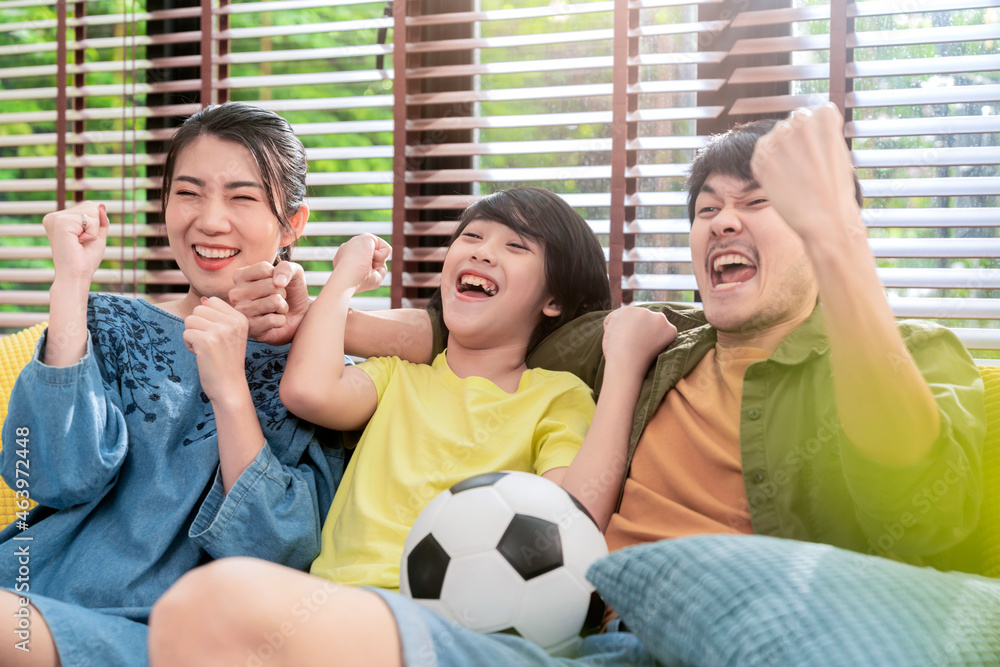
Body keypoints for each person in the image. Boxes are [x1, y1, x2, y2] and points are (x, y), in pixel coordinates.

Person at [147, 104, 985, 666]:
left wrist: (839, 243)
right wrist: (314, 306)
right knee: (212, 612)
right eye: (705, 208)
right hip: (554, 633)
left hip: (674, 629)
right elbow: (472, 333)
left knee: (219, 607)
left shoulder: (897, 354)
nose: (724, 219)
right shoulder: (651, 340)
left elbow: (924, 493)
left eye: (762, 201)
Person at [0, 102, 345, 667]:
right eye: (188, 193)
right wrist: (72, 284)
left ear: (293, 224)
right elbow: (52, 477)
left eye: (242, 197)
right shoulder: (109, 322)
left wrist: (230, 388)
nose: (210, 220)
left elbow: (276, 550)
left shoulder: (319, 377)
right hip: (32, 586)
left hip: (159, 634)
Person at [279, 186, 674, 591]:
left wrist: (624, 365)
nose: (482, 252)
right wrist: (347, 276)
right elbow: (308, 391)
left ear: (553, 300)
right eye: (471, 236)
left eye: (517, 246)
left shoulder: (555, 397)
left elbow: (574, 513)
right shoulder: (397, 376)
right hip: (335, 599)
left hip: (445, 621)